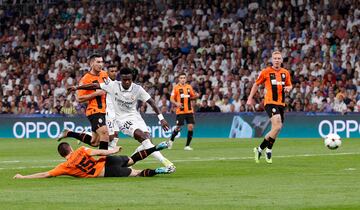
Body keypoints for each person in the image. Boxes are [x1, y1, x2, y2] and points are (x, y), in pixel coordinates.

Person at [68, 67, 175, 171]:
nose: (127, 82)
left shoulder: (138, 89)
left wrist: (161, 118)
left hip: (136, 117)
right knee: (141, 138)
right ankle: (166, 162)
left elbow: (151, 102)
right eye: (125, 80)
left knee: (147, 142)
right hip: (122, 120)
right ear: (121, 79)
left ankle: (127, 163)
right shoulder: (113, 85)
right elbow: (95, 85)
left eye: (129, 79)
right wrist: (77, 88)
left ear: (132, 79)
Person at [13, 141, 172, 179]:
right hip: (108, 160)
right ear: (70, 148)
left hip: (105, 171)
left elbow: (45, 174)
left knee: (136, 173)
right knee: (132, 159)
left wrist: (23, 177)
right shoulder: (82, 149)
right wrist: (113, 150)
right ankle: (155, 147)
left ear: (62, 154)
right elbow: (97, 151)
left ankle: (159, 170)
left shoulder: (65, 166)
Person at [246, 51, 292, 164]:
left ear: (281, 60)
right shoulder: (266, 72)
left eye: (279, 58)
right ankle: (269, 150)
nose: (277, 60)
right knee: (277, 124)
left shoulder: (285, 73)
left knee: (276, 129)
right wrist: (250, 98)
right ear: (272, 60)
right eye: (275, 58)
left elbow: (289, 84)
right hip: (270, 102)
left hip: (281, 103)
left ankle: (260, 149)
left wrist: (289, 88)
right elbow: (256, 84)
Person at [58, 54, 109, 150]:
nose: (100, 64)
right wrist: (95, 94)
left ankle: (68, 133)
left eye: (102, 62)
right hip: (94, 110)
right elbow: (79, 98)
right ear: (91, 63)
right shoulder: (85, 79)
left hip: (104, 110)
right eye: (98, 62)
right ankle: (103, 164)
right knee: (105, 133)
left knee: (95, 142)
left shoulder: (104, 75)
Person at [168, 73, 199, 150]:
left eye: (184, 78)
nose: (183, 79)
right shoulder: (176, 88)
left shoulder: (189, 87)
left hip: (189, 111)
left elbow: (192, 96)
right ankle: (171, 141)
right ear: (179, 79)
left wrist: (196, 96)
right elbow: (171, 99)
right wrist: (176, 103)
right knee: (178, 128)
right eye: (181, 78)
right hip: (180, 111)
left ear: (186, 79)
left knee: (191, 127)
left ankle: (187, 146)